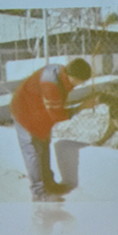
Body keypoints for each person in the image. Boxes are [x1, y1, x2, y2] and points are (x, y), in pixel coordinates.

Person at [9, 57, 92, 202]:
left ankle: (49, 184)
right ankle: (38, 193)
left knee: (43, 147)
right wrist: (81, 107)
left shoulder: (61, 72)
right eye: (81, 82)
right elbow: (58, 115)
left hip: (38, 113)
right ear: (74, 77)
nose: (81, 85)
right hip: (24, 114)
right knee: (33, 152)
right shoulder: (51, 86)